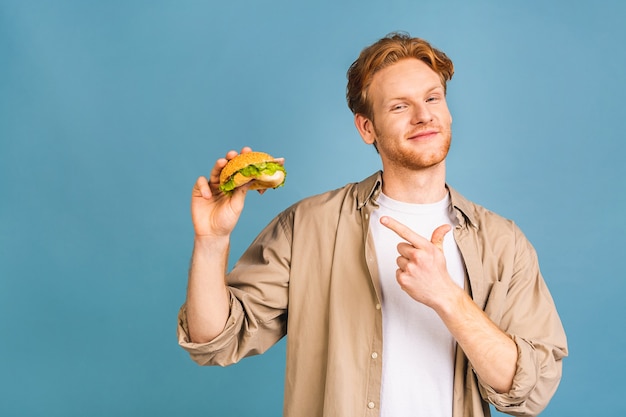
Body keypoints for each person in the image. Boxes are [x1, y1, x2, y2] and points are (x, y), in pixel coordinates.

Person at [177, 32, 568, 417]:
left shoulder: (503, 243)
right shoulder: (308, 226)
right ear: (367, 128)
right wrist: (212, 241)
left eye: (433, 98)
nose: (423, 115)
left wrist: (448, 297)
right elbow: (214, 340)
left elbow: (531, 391)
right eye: (400, 107)